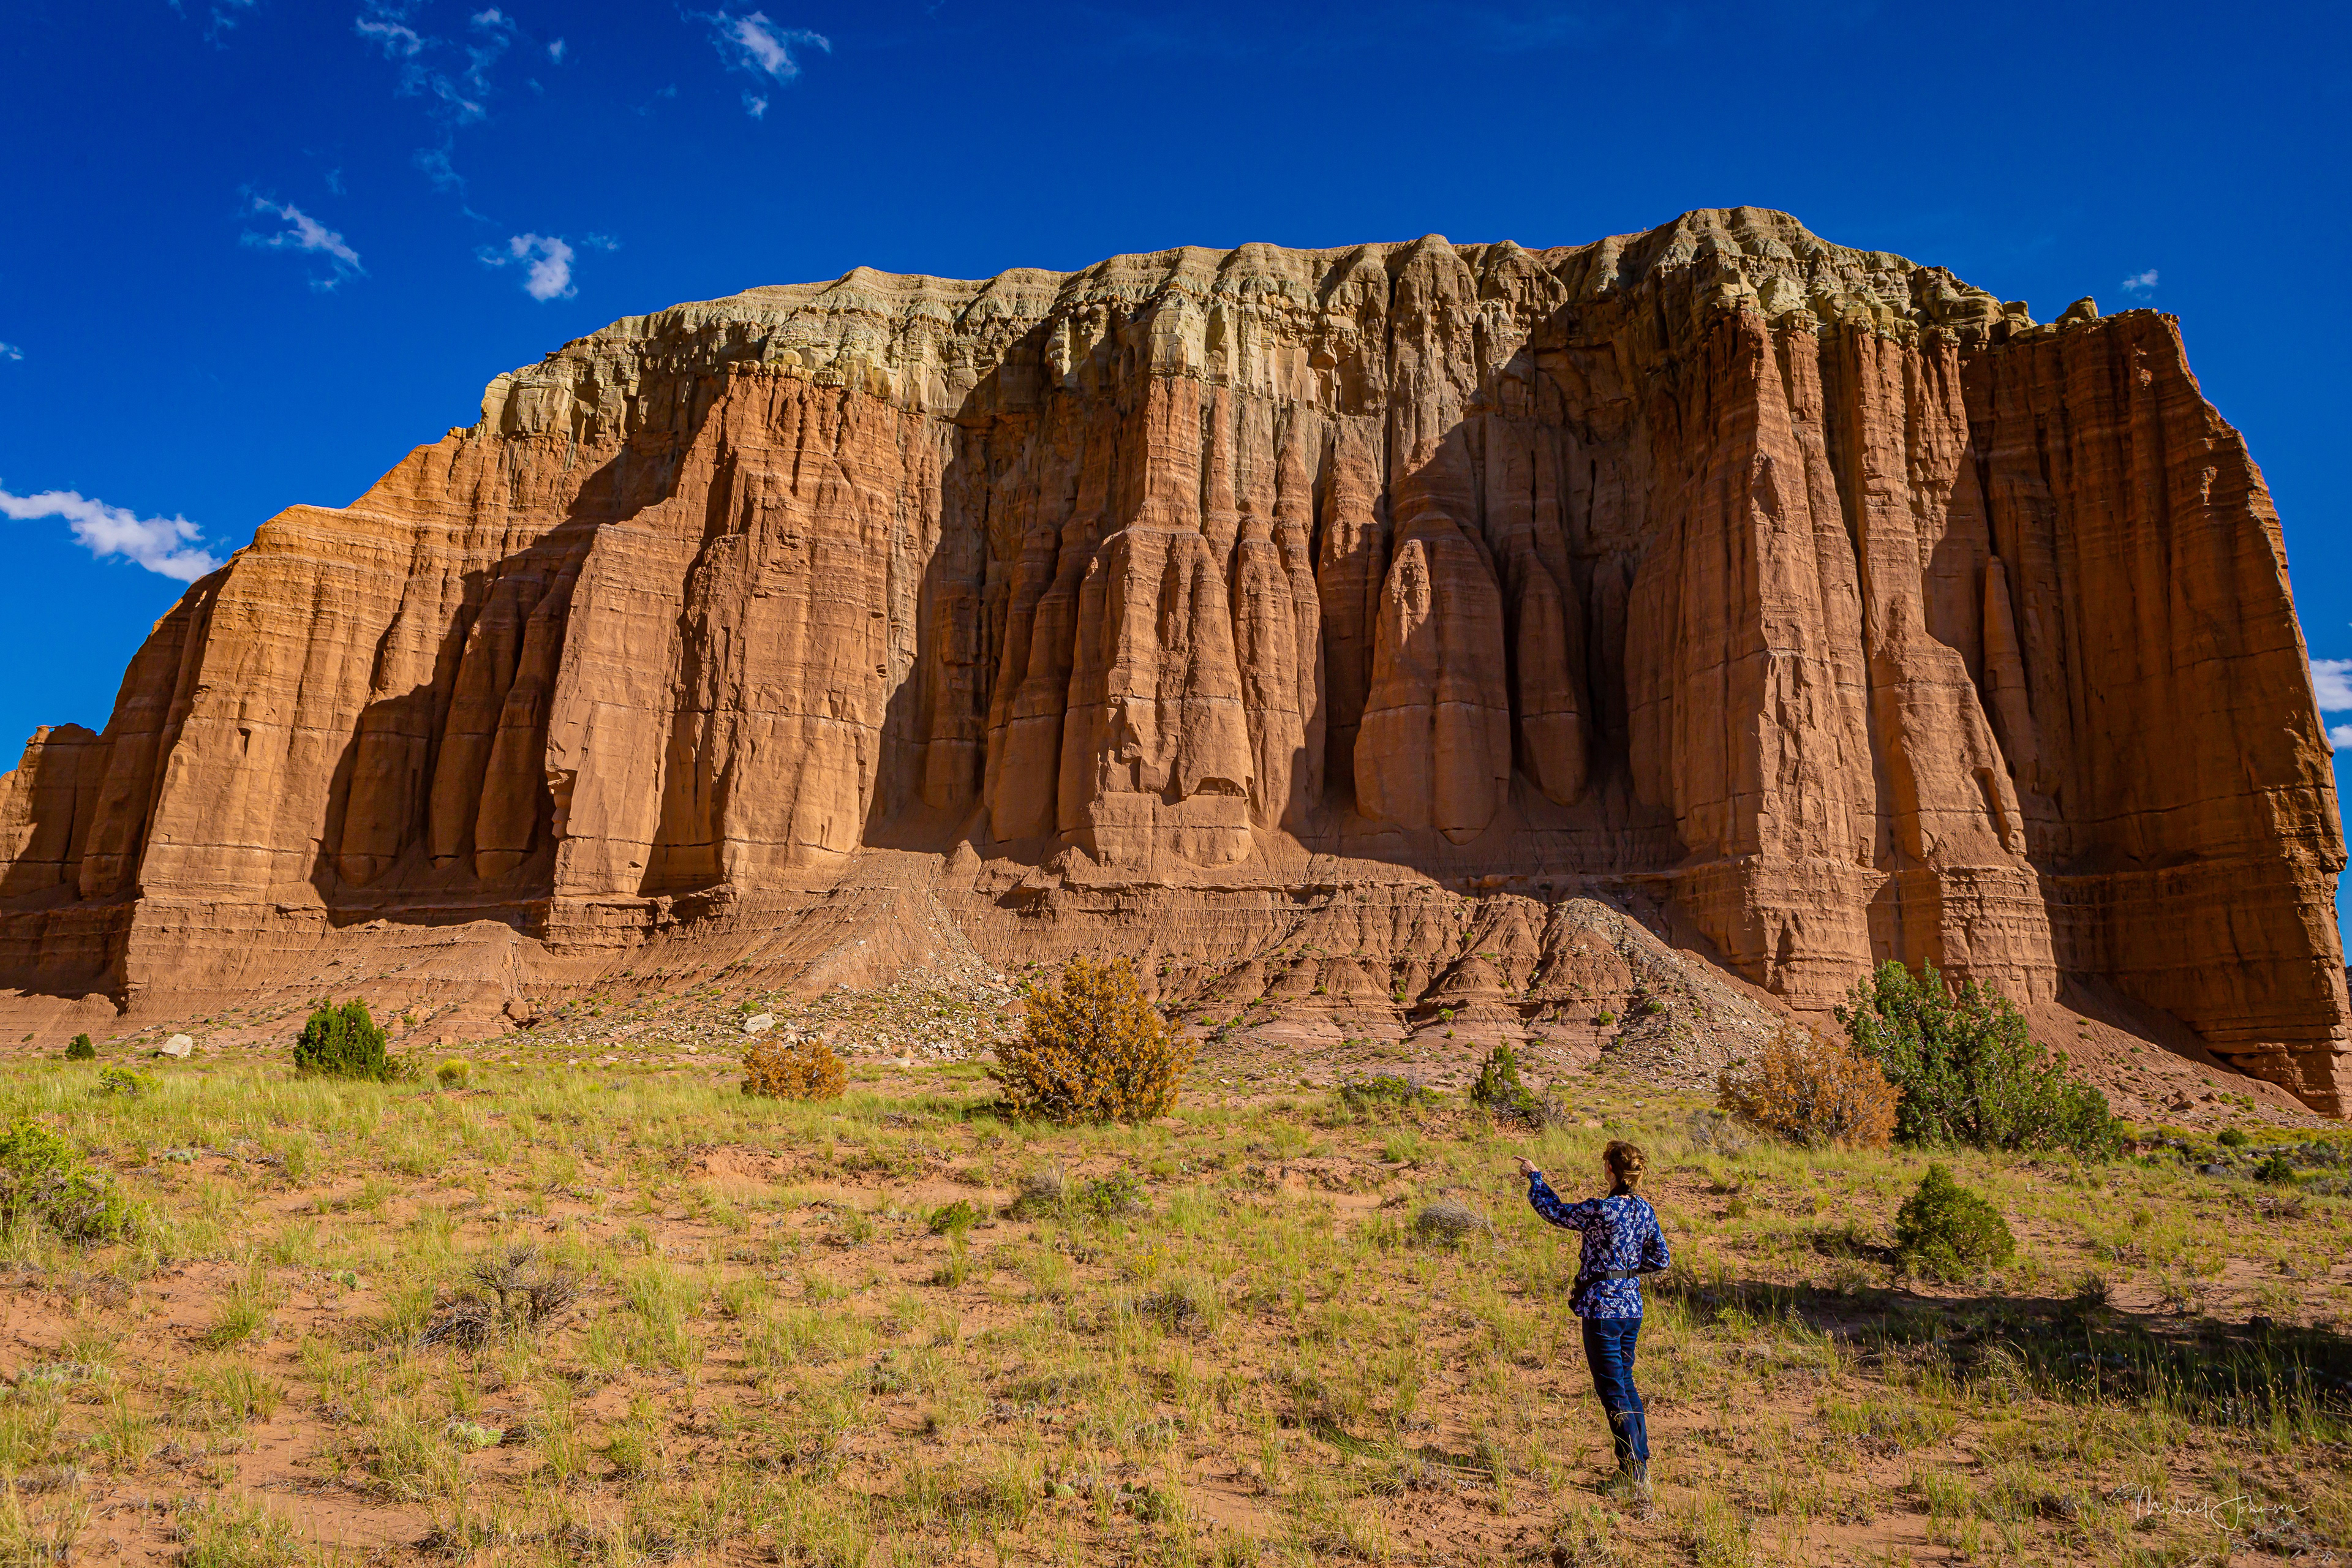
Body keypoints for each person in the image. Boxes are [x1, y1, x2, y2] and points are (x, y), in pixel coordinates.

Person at [1515, 1141, 1670, 1509]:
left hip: (1602, 1309)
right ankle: (1639, 1463)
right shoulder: (1645, 1210)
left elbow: (1554, 1212)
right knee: (1625, 1384)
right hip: (1631, 1308)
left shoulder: (1601, 1210)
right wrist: (1627, 1274)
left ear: (1611, 1172)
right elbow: (1661, 1259)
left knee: (1612, 1390)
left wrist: (1535, 1176)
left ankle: (1634, 1474)